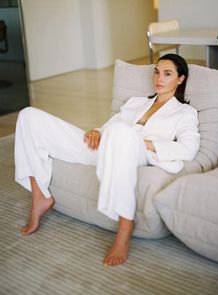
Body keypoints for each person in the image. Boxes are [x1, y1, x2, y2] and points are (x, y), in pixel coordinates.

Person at [14, 54, 200, 267]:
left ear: (180, 79)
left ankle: (125, 224)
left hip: (138, 153)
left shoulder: (185, 112)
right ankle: (40, 195)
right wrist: (96, 131)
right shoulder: (136, 102)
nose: (159, 78)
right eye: (157, 72)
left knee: (122, 132)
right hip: (105, 146)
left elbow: (188, 148)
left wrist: (142, 142)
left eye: (167, 74)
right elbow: (110, 125)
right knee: (29, 116)